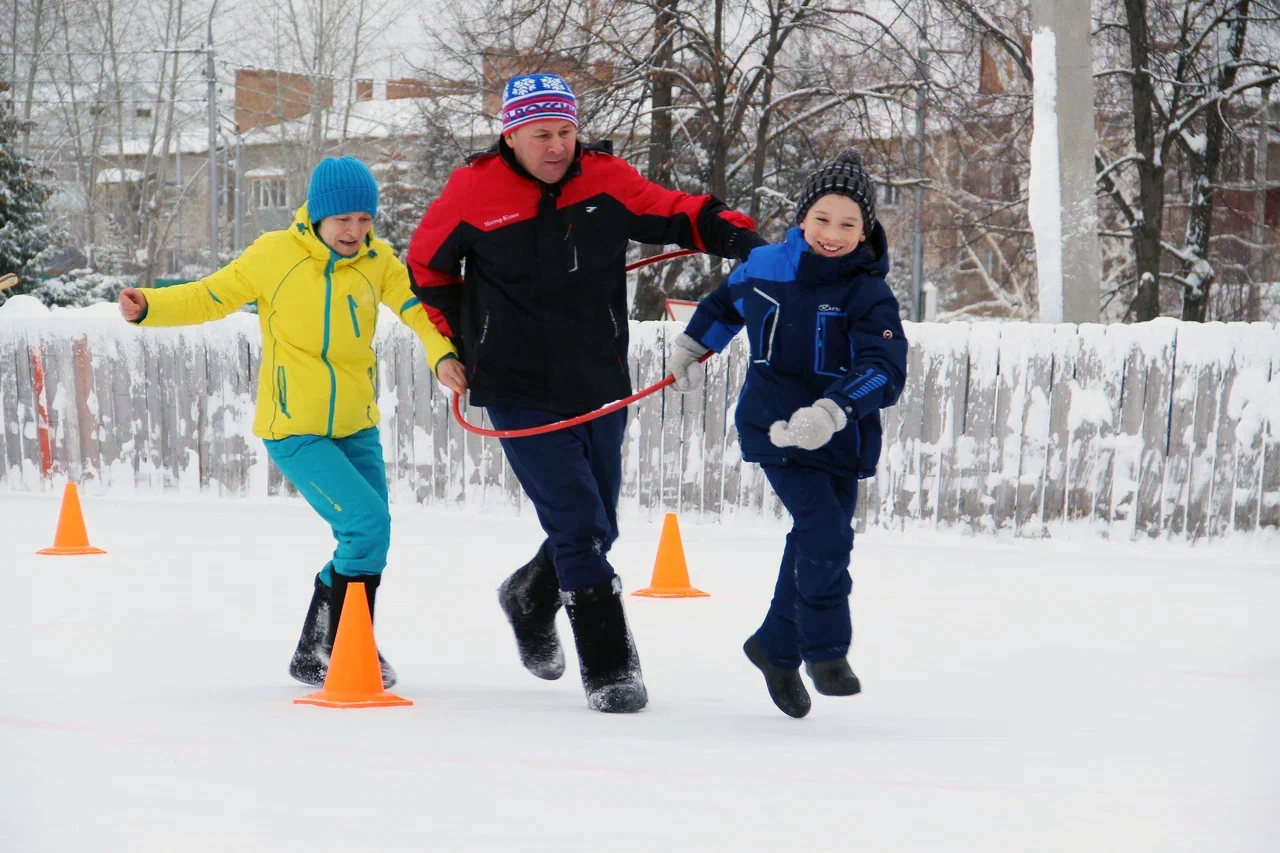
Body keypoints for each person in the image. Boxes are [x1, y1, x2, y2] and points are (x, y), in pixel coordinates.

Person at [406, 73, 767, 713]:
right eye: (541, 134)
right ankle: (610, 669)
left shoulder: (605, 179)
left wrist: (746, 242)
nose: (555, 146)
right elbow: (426, 269)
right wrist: (453, 345)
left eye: (565, 132)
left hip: (596, 377)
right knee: (576, 525)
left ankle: (529, 595)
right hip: (516, 385)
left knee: (601, 526)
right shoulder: (473, 189)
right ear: (510, 135)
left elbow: (680, 213)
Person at [118, 155, 467, 689]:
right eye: (344, 220)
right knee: (366, 526)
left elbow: (417, 309)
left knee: (369, 539)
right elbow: (212, 294)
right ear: (319, 216)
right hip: (295, 430)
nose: (355, 231)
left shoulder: (379, 262)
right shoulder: (275, 255)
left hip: (356, 425)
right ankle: (344, 647)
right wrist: (151, 307)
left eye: (365, 220)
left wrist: (441, 355)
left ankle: (325, 649)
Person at [666, 148, 908, 718]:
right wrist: (691, 348)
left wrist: (833, 410)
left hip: (838, 435)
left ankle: (775, 647)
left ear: (865, 229)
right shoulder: (766, 265)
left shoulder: (869, 291)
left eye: (849, 224)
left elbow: (885, 367)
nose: (833, 233)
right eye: (823, 219)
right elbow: (725, 306)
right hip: (774, 427)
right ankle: (826, 652)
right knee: (824, 530)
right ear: (803, 217)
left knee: (810, 539)